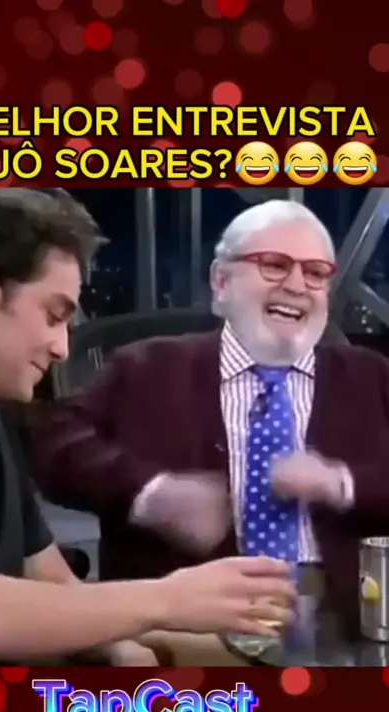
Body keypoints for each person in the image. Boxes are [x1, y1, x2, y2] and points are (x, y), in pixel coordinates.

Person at [0, 188, 295, 666]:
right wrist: (169, 598)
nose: (61, 350)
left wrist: (130, 649)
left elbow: (54, 587)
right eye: (53, 316)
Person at [30, 199, 389, 629]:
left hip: (350, 618)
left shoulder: (372, 377)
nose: (297, 285)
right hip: (186, 619)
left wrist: (344, 484)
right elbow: (51, 444)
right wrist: (149, 491)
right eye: (274, 265)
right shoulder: (145, 368)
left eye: (315, 273)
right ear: (221, 282)